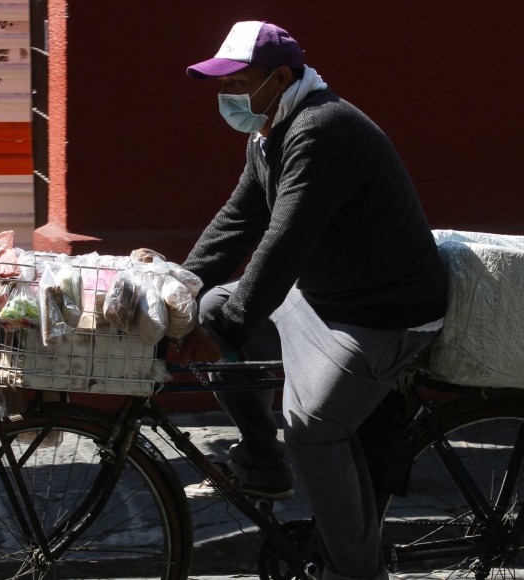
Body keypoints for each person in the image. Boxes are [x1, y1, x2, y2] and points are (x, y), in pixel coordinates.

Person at [176, 20, 448, 580]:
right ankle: (262, 461)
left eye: (238, 82)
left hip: (382, 315)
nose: (226, 95)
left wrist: (226, 326)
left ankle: (354, 573)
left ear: (280, 77)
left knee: (313, 431)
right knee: (202, 308)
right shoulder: (271, 132)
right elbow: (237, 222)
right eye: (221, 84)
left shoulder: (322, 130)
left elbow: (284, 243)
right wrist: (175, 292)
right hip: (325, 298)